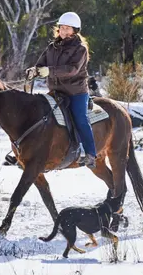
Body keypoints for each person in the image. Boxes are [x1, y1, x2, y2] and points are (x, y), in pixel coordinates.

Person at [27, 12, 97, 168]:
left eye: (68, 28)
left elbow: (72, 69)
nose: (64, 31)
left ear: (75, 30)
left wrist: (49, 71)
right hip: (55, 91)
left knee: (80, 118)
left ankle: (90, 153)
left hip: (76, 92)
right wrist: (34, 70)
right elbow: (41, 64)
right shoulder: (52, 47)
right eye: (62, 28)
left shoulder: (80, 49)